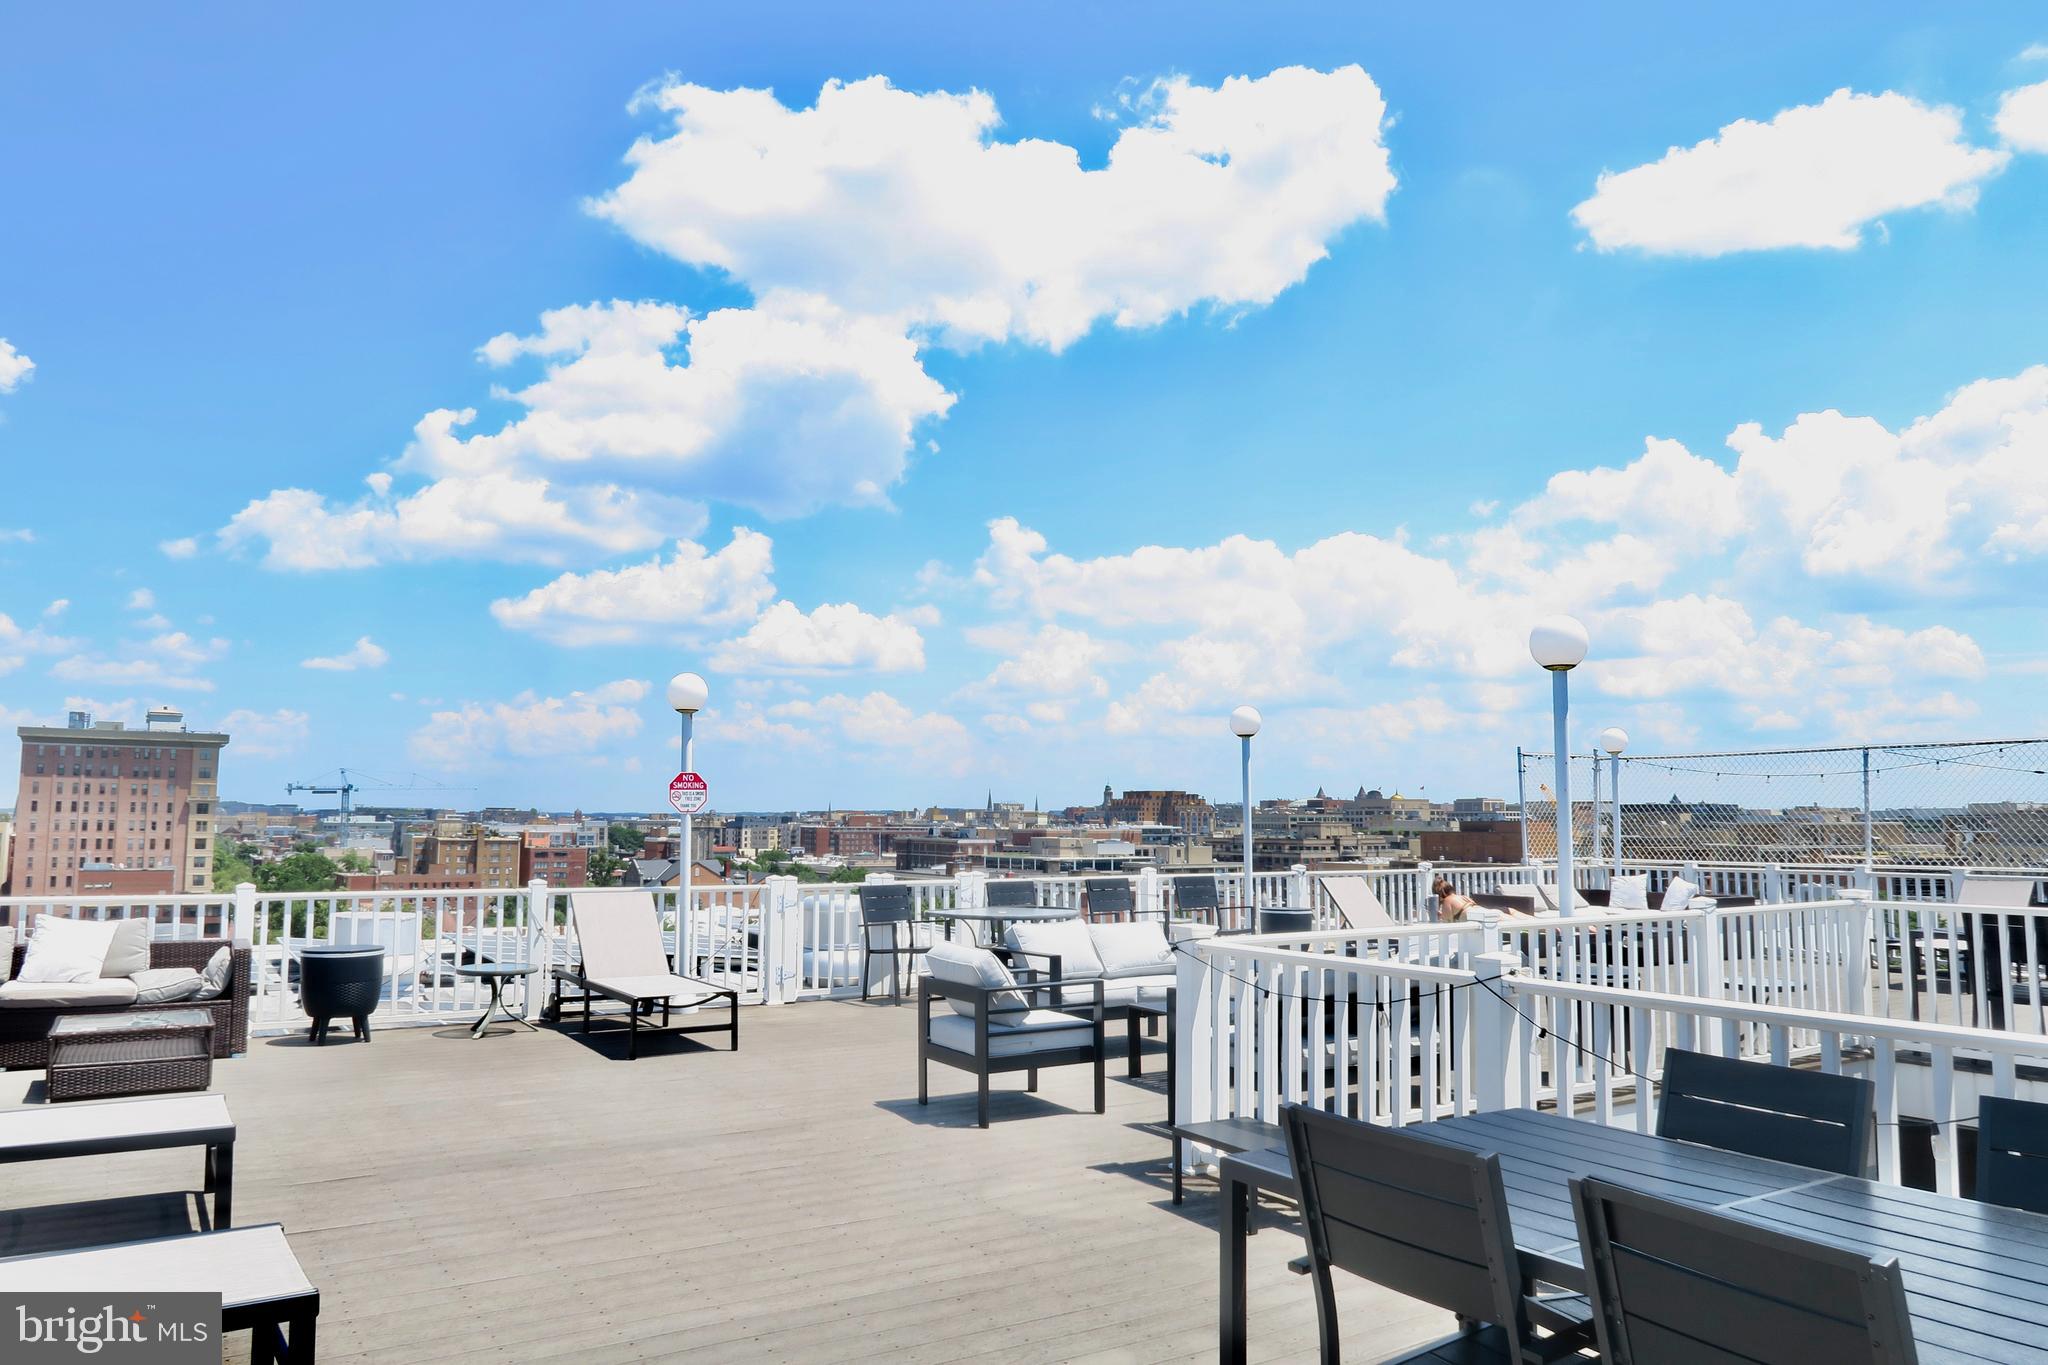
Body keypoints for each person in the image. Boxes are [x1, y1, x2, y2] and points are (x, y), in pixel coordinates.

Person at [1433, 876, 1531, 923]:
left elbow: (1449, 924)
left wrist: (1440, 916)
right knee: (1532, 922)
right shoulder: (1463, 897)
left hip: (1485, 917)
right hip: (1488, 912)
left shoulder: (1447, 902)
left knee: (1520, 925)